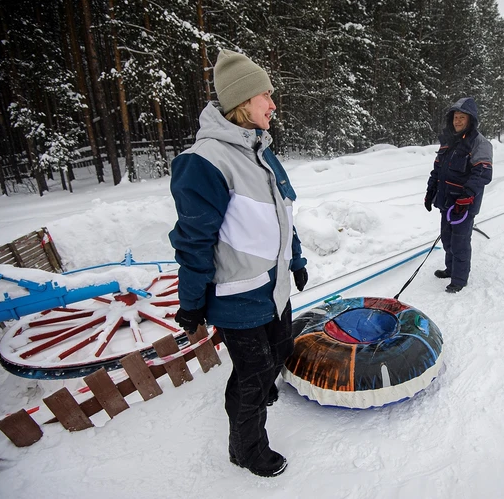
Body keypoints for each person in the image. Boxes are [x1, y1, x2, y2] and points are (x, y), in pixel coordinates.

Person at [168, 49, 308, 478]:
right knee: (253, 373)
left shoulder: (261, 151)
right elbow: (194, 241)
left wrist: (296, 259)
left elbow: (283, 213)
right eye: (266, 95)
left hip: (274, 286)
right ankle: (246, 449)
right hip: (237, 294)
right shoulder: (205, 160)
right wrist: (191, 302)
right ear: (243, 101)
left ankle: (259, 394)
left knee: (279, 351)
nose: (273, 103)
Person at [424, 97, 493, 293]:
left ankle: (460, 279)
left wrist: (467, 196)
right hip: (446, 201)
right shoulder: (448, 142)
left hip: (464, 205)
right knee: (447, 238)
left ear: (471, 120)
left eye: (462, 117)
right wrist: (430, 192)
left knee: (460, 242)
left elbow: (483, 173)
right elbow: (437, 169)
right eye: (455, 117)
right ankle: (450, 269)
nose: (458, 121)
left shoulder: (480, 144)